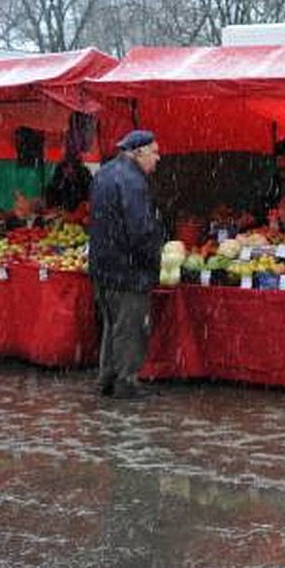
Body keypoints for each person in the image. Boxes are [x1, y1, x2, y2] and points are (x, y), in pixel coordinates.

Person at [87, 129, 163, 400]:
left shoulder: (105, 173)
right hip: (128, 269)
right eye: (154, 152)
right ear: (138, 151)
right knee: (131, 326)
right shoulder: (133, 181)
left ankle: (106, 378)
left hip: (103, 267)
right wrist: (153, 258)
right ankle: (126, 382)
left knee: (112, 324)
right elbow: (140, 229)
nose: (158, 158)